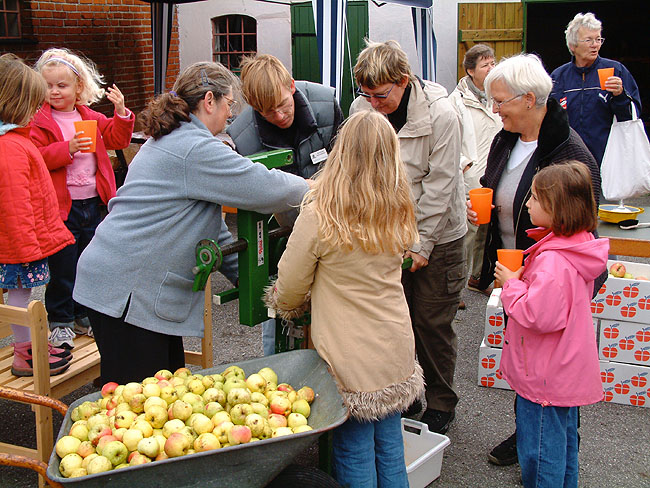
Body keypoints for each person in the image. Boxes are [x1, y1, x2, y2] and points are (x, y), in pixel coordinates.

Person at [72, 62, 310, 385]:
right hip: (127, 293)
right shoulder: (193, 147)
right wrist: (316, 189)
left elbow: (212, 230)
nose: (230, 114)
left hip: (128, 290)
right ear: (209, 100)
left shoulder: (174, 138)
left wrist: (260, 284)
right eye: (229, 104)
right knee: (138, 398)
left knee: (167, 390)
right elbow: (263, 186)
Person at [264, 110, 424, 487]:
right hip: (394, 344)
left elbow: (290, 283)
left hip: (347, 353)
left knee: (353, 448)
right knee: (390, 446)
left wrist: (286, 305)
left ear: (342, 152)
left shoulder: (321, 213)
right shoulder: (398, 207)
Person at [467, 53, 602, 466]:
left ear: (529, 99)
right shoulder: (506, 138)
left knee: (551, 368)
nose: (495, 109)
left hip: (549, 277)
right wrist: (482, 210)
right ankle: (533, 435)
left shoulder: (569, 151)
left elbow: (584, 225)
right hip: (519, 270)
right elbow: (492, 184)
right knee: (526, 356)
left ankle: (550, 448)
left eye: (500, 101)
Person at [350, 40, 466, 434]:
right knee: (395, 321)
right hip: (388, 234)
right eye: (366, 94)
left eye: (381, 95)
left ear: (403, 80)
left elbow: (441, 186)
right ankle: (407, 393)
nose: (373, 103)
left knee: (431, 323)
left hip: (440, 235)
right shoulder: (363, 109)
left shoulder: (442, 114)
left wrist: (422, 244)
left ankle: (441, 401)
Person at [495, 161, 608, 487]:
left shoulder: (553, 261)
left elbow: (538, 315)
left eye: (535, 198)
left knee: (540, 454)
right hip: (564, 371)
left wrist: (511, 284)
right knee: (563, 447)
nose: (527, 204)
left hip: (545, 374)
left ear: (556, 208)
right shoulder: (578, 246)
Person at [227, 54, 343, 357]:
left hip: (336, 230)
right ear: (254, 108)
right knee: (278, 312)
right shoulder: (242, 136)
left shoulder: (326, 104)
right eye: (268, 112)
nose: (279, 116)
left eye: (282, 105)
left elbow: (346, 166)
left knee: (336, 321)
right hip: (284, 234)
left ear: (291, 86)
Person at [30, 48, 135, 350]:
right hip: (61, 208)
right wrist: (68, 148)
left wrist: (121, 113)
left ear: (78, 87)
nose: (54, 91)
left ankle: (82, 314)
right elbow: (36, 157)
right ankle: (60, 320)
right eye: (48, 85)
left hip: (93, 202)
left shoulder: (89, 116)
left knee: (88, 263)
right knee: (63, 266)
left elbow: (117, 138)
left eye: (61, 85)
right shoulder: (40, 121)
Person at [0, 54, 75, 376]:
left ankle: (29, 344)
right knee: (21, 297)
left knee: (24, 295)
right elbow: (15, 203)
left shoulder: (15, 140)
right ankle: (25, 352)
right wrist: (27, 248)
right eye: (33, 104)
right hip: (18, 244)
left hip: (20, 241)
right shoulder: (10, 147)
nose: (37, 110)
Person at [550, 12, 642, 166]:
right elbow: (549, 120)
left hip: (608, 159)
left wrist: (619, 95)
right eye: (589, 40)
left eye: (598, 39)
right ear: (572, 45)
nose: (595, 45)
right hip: (568, 161)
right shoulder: (558, 77)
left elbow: (632, 117)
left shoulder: (616, 70)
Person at [449, 44, 502, 301]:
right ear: (470, 71)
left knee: (488, 230)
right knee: (467, 231)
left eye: (493, 63)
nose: (491, 68)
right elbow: (448, 138)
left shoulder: (499, 95)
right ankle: (455, 288)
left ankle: (478, 278)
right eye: (485, 65)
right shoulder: (456, 101)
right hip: (471, 176)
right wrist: (464, 164)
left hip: (495, 172)